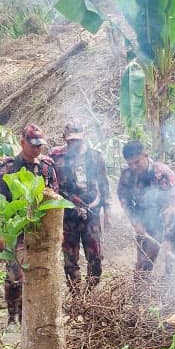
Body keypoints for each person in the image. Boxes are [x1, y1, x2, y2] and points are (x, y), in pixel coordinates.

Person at [0, 124, 59, 325]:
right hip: (16, 230)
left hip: (40, 232)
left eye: (40, 145)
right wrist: (2, 232)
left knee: (40, 274)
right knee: (14, 277)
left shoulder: (47, 167)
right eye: (33, 145)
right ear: (22, 143)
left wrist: (57, 231)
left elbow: (55, 200)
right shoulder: (8, 168)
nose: (37, 149)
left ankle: (32, 317)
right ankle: (13, 318)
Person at [50, 121, 110, 293]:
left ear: (84, 137)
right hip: (67, 216)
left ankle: (89, 293)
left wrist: (108, 211)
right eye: (71, 141)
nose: (74, 144)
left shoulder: (95, 157)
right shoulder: (56, 157)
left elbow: (103, 184)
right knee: (70, 260)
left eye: (78, 140)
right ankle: (77, 297)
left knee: (96, 257)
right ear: (65, 139)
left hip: (91, 213)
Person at [116, 141, 175, 280]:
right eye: (130, 163)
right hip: (145, 221)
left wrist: (167, 238)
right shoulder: (127, 174)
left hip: (169, 221)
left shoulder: (162, 174)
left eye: (137, 162)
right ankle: (139, 296)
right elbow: (124, 200)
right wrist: (136, 222)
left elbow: (171, 208)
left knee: (172, 264)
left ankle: (171, 294)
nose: (133, 167)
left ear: (146, 155)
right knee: (143, 265)